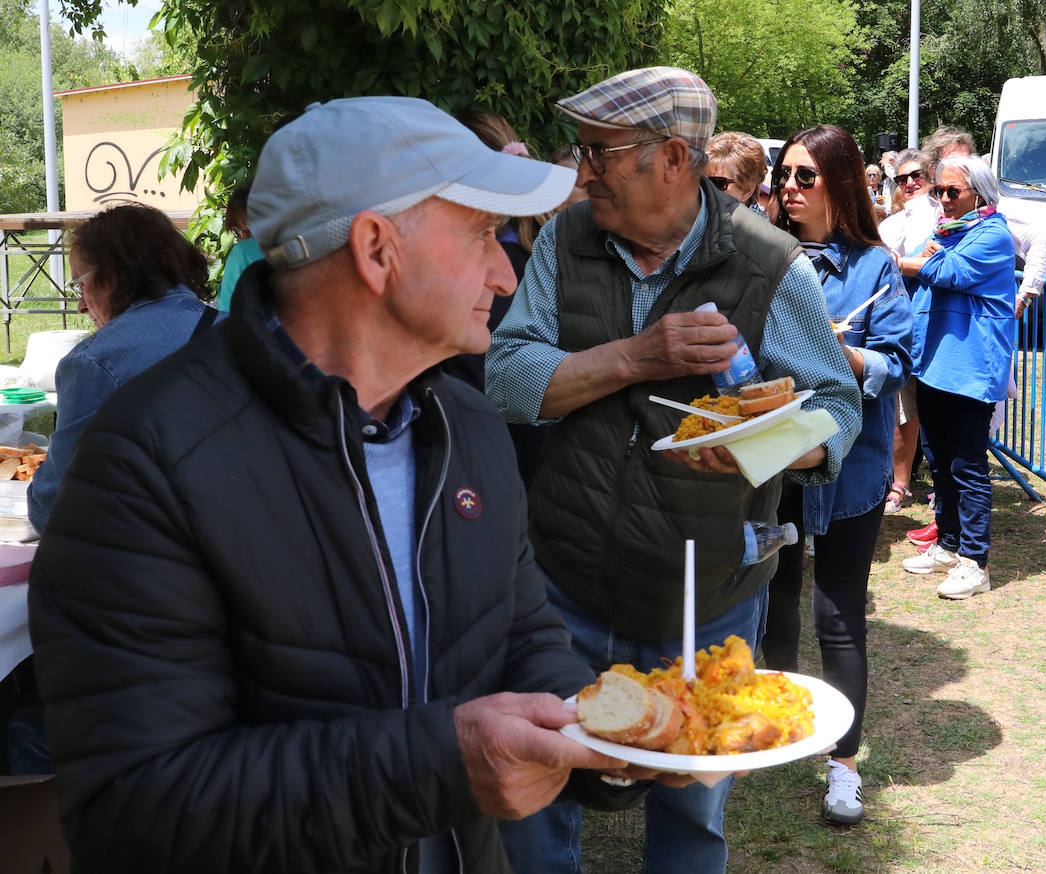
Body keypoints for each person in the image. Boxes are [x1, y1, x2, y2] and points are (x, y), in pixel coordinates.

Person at [28, 96, 648, 874]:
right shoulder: (145, 462)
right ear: (376, 249)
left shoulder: (466, 425)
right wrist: (442, 763)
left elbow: (521, 638)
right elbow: (136, 809)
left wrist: (616, 738)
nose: (502, 269)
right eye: (482, 233)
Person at [486, 67, 861, 874]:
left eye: (599, 153)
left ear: (674, 160)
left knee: (692, 810)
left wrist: (763, 445)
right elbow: (508, 378)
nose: (582, 173)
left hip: (707, 597)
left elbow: (838, 407)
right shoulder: (564, 238)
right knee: (541, 792)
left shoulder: (770, 262)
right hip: (564, 582)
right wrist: (635, 357)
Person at [758, 124, 912, 824]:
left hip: (849, 464)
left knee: (839, 615)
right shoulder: (763, 258)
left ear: (840, 182)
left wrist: (842, 358)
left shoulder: (875, 267)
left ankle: (843, 767)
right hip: (773, 460)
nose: (788, 189)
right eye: (782, 175)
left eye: (803, 177)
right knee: (775, 600)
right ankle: (784, 723)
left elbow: (897, 363)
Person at [28, 203, 219, 533]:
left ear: (113, 275)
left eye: (80, 284)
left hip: (164, 564)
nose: (80, 305)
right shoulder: (247, 330)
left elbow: (56, 506)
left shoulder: (95, 363)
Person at [899, 155, 1017, 599]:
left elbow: (948, 272)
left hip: (970, 369)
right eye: (939, 192)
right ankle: (947, 544)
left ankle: (975, 562)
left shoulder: (993, 234)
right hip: (933, 363)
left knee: (968, 467)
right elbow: (922, 265)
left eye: (953, 192)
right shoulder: (949, 232)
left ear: (980, 195)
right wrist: (919, 260)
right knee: (939, 460)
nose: (943, 201)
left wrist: (912, 261)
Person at [445, 109, 555, 486]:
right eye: (478, 236)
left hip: (495, 463)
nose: (503, 280)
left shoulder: (496, 269)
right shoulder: (544, 245)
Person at [878, 148, 938, 515]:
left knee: (941, 409)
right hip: (905, 324)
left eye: (917, 175)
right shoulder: (895, 222)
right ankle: (900, 484)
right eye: (902, 179)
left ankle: (944, 484)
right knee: (905, 411)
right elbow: (885, 264)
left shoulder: (949, 217)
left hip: (943, 326)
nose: (910, 183)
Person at [216, 182, 265, 311]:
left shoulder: (242, 252)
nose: (245, 238)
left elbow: (226, 313)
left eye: (250, 231)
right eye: (238, 232)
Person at [705, 131, 768, 213]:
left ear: (746, 191)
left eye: (717, 183)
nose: (704, 189)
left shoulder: (760, 225)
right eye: (699, 181)